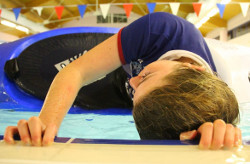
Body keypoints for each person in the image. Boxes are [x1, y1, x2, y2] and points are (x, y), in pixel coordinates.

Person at [4, 12, 241, 149]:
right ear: (192, 68)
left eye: (139, 87)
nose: (134, 81)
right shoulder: (161, 30)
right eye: (146, 75)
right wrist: (46, 125)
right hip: (122, 68)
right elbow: (76, 71)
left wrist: (216, 138)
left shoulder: (206, 112)